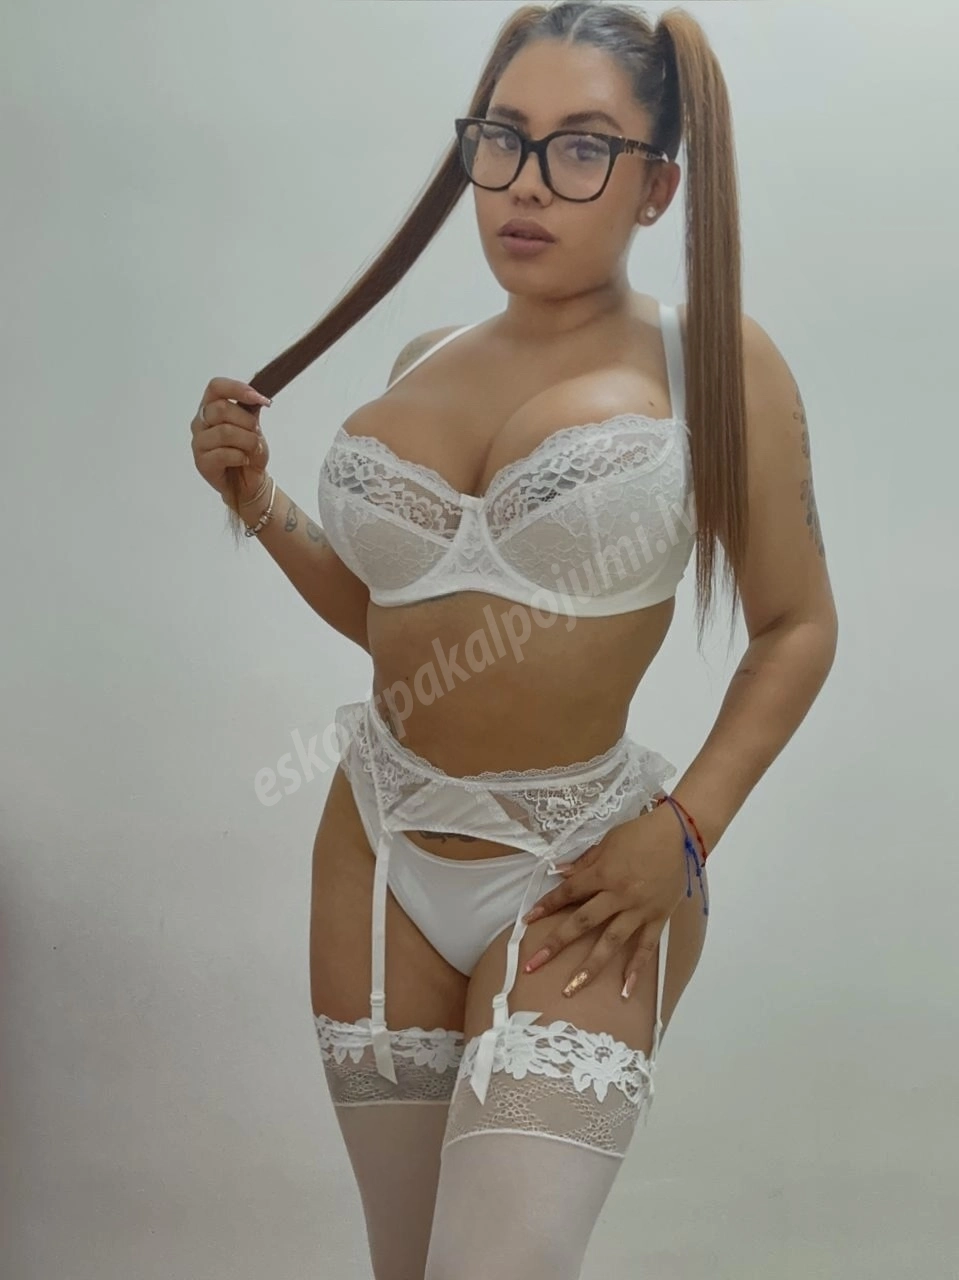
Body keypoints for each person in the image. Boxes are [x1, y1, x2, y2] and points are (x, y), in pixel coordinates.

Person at [189, 4, 838, 1277]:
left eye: (581, 147)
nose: (527, 182)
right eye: (503, 137)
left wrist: (685, 828)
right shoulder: (423, 354)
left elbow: (796, 624)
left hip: (581, 866)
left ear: (655, 186)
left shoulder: (709, 360)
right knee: (408, 1266)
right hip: (378, 845)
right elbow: (396, 626)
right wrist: (257, 500)